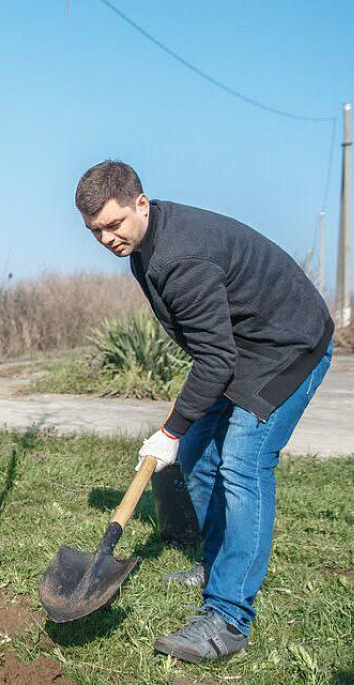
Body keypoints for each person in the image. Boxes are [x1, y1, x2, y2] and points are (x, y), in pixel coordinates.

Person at [74, 161, 334, 663]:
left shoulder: (180, 257)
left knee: (242, 464)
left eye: (114, 224)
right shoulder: (144, 246)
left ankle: (229, 618)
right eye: (96, 231)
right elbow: (211, 348)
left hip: (290, 346)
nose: (107, 238)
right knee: (194, 456)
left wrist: (170, 429)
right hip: (241, 350)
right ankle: (217, 564)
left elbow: (215, 357)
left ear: (141, 204)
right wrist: (182, 433)